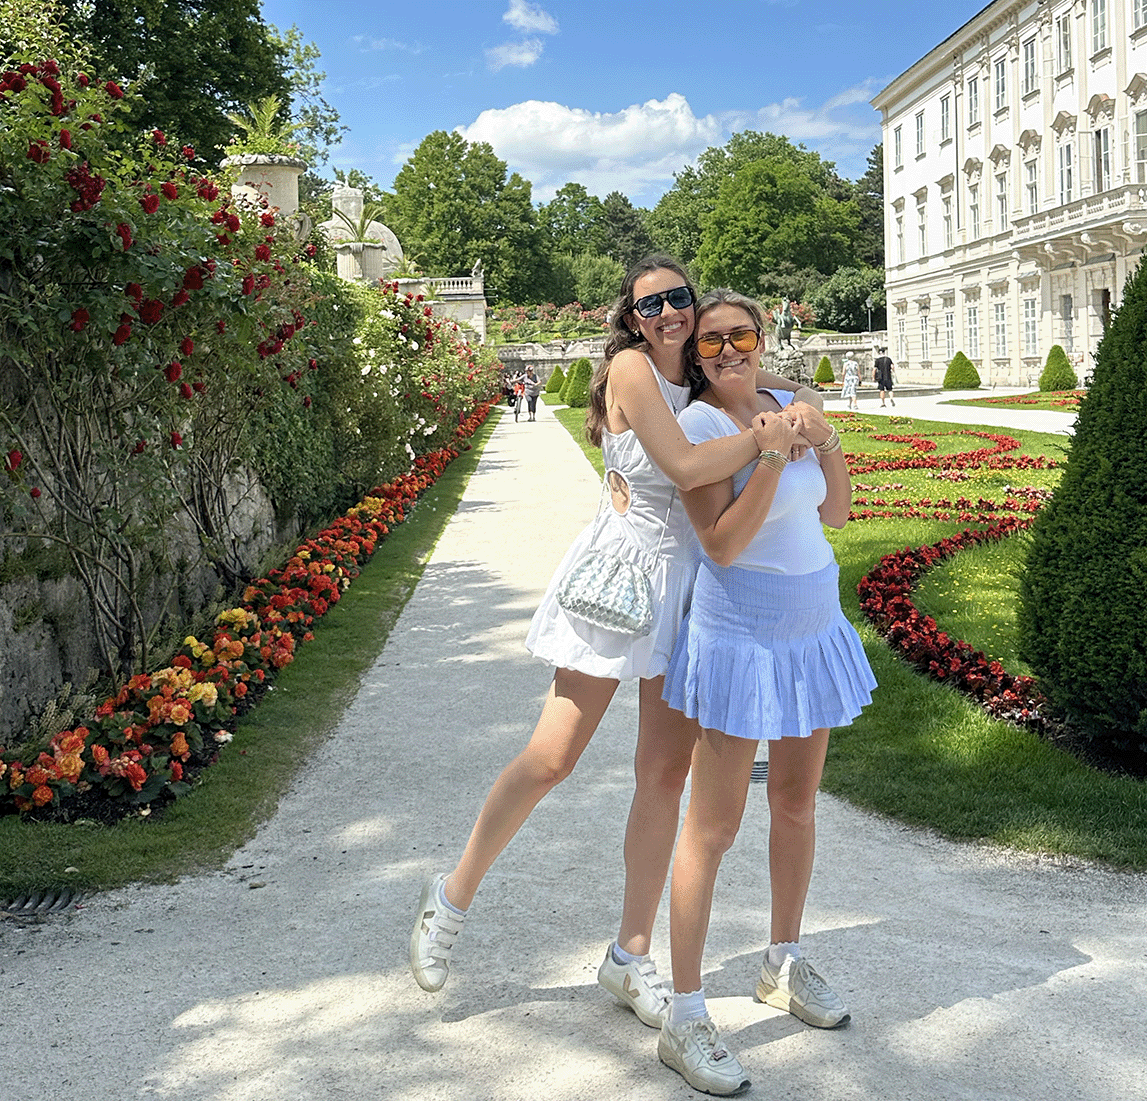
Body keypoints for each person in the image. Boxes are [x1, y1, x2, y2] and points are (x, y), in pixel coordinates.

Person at [410, 257, 820, 1030]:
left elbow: (752, 419)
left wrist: (799, 409)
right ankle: (451, 896)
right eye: (650, 303)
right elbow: (687, 463)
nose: (668, 312)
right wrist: (774, 435)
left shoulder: (700, 381)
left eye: (678, 300)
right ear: (631, 318)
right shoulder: (633, 369)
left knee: (663, 775)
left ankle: (630, 954)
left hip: (691, 589)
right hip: (624, 578)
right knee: (551, 757)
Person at [657, 289, 876, 1095]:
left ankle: (781, 961)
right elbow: (720, 544)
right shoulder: (700, 429)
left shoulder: (790, 401)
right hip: (741, 634)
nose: (726, 350)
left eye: (740, 334)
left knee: (795, 804)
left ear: (763, 335)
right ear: (694, 355)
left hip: (811, 625)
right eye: (709, 342)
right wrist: (774, 454)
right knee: (712, 826)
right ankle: (684, 1013)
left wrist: (826, 439)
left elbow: (840, 513)